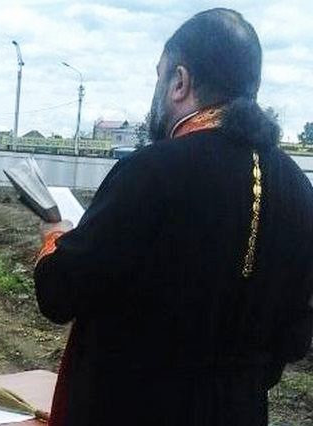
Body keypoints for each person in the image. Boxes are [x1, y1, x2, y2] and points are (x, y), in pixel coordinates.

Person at [34, 8, 313, 426]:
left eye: (160, 76)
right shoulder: (300, 191)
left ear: (179, 81)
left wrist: (55, 237)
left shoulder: (152, 171)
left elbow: (59, 293)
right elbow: (294, 339)